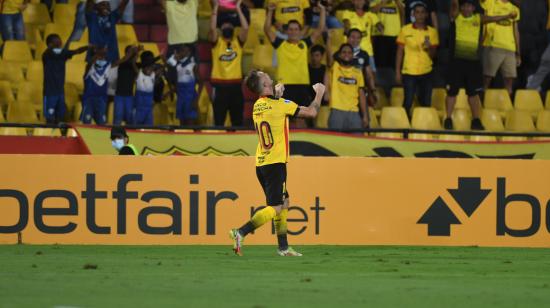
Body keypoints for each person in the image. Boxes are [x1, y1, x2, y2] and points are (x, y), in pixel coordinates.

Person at [229, 69, 325, 256]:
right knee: (276, 207)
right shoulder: (280, 105)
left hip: (262, 162)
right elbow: (312, 112)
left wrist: (278, 94)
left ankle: (283, 247)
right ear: (265, 84)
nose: (266, 73)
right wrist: (320, 92)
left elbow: (273, 108)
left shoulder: (258, 105)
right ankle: (240, 232)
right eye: (263, 74)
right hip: (275, 163)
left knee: (284, 202)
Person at [445, 0, 515, 131]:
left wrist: (506, 16)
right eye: (464, 6)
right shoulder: (456, 16)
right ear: (461, 8)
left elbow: (494, 18)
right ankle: (448, 119)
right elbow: (454, 4)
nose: (466, 8)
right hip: (456, 63)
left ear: (473, 8)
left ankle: (476, 120)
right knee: (451, 93)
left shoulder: (479, 18)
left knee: (473, 94)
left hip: (473, 64)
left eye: (469, 6)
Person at [264, 1, 325, 126]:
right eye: (290, 29)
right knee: (283, 120)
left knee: (303, 119)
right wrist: (270, 12)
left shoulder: (304, 44)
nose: (293, 32)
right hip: (284, 86)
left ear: (300, 31)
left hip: (302, 86)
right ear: (287, 31)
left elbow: (319, 30)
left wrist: (323, 10)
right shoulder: (280, 44)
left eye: (296, 29)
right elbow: (266, 29)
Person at [209, 0, 248, 126]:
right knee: (219, 120)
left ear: (233, 28)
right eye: (224, 25)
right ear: (221, 28)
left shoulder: (238, 42)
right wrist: (215, 8)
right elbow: (211, 28)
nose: (227, 27)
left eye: (230, 25)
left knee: (237, 121)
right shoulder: (217, 43)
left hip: (236, 87)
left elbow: (245, 28)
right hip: (219, 87)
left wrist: (238, 8)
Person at [395, 2, 438, 116]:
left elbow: (433, 55)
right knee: (408, 102)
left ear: (426, 15)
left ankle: (423, 127)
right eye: (417, 12)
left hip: (426, 71)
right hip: (409, 72)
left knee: (426, 103)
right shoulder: (405, 30)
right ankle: (405, 128)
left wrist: (429, 48)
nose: (420, 15)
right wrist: (397, 73)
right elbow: (399, 52)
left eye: (422, 12)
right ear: (413, 14)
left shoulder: (432, 32)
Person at [42, 34, 89, 124]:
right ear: (50, 44)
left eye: (60, 40)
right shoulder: (46, 55)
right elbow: (52, 52)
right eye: (57, 41)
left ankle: (59, 136)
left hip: (60, 92)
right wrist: (58, 49)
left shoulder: (63, 53)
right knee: (50, 119)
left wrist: (88, 47)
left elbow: (77, 51)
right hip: (49, 92)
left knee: (61, 117)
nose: (60, 43)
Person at [480, 0, 520, 96]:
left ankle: (508, 107)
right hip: (493, 46)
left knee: (509, 80)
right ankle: (481, 103)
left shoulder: (514, 8)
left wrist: (518, 53)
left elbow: (516, 31)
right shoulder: (490, 2)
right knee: (487, 79)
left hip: (510, 48)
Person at [326, 43, 368, 129]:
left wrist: (365, 116)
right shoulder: (334, 67)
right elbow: (329, 58)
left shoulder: (358, 72)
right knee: (334, 141)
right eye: (344, 52)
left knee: (357, 142)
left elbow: (362, 95)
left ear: (353, 55)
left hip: (354, 112)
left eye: (349, 53)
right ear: (339, 55)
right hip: (336, 110)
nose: (346, 54)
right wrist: (328, 40)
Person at [341, 0, 383, 71]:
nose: (359, 2)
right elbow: (346, 27)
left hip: (367, 51)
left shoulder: (370, 14)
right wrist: (347, 28)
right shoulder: (347, 13)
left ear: (365, 2)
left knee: (372, 74)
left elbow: (381, 29)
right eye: (357, 0)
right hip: (351, 51)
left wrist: (379, 25)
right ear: (353, 2)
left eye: (362, 0)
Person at [166, 44, 198, 126]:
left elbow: (201, 83)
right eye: (180, 50)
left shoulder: (193, 66)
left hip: (190, 100)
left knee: (190, 126)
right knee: (181, 125)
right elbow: (178, 85)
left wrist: (195, 101)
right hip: (181, 99)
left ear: (189, 53)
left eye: (183, 50)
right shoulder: (178, 66)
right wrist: (169, 92)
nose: (181, 52)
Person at [370, 0, 404, 69]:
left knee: (394, 63)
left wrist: (397, 1)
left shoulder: (398, 2)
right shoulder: (376, 1)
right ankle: (382, 79)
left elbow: (403, 12)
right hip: (380, 35)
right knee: (381, 63)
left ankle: (393, 79)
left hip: (395, 35)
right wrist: (383, 2)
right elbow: (371, 12)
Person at [81, 47, 111, 124]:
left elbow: (120, 61)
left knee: (102, 124)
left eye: (103, 57)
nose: (101, 59)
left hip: (102, 100)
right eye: (99, 57)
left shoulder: (107, 68)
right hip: (89, 99)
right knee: (87, 122)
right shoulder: (89, 69)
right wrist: (98, 53)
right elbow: (90, 63)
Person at [112, 45, 140, 125]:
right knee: (117, 119)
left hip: (129, 96)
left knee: (130, 119)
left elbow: (138, 75)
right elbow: (114, 64)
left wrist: (135, 57)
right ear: (126, 53)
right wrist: (131, 53)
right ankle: (115, 135)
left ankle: (130, 136)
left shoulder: (135, 65)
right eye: (129, 51)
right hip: (119, 95)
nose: (131, 54)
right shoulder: (121, 63)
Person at [134, 51, 159, 125]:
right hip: (139, 109)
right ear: (144, 67)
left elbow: (163, 67)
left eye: (151, 68)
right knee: (136, 128)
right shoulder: (139, 74)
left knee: (149, 128)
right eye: (148, 67)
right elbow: (133, 63)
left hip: (148, 110)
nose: (150, 70)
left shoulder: (153, 75)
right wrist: (136, 54)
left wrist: (162, 58)